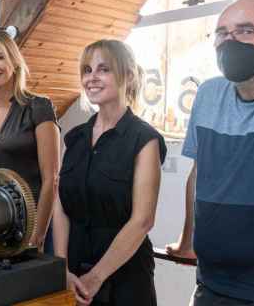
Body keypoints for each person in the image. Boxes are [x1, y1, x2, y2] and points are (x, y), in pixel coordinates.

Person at [166, 0, 254, 305]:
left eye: (246, 30)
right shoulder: (209, 94)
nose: (230, 41)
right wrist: (188, 241)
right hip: (211, 286)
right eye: (222, 32)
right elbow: (199, 174)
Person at [53, 40, 166, 306]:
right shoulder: (75, 138)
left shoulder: (144, 139)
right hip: (75, 276)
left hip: (125, 281)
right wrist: (62, 267)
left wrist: (96, 277)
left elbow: (142, 221)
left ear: (127, 75)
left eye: (103, 69)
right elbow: (61, 205)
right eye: (87, 70)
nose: (91, 77)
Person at [0, 30, 60, 250]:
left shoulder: (38, 107)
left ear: (14, 62)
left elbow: (52, 179)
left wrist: (37, 235)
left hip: (34, 226)